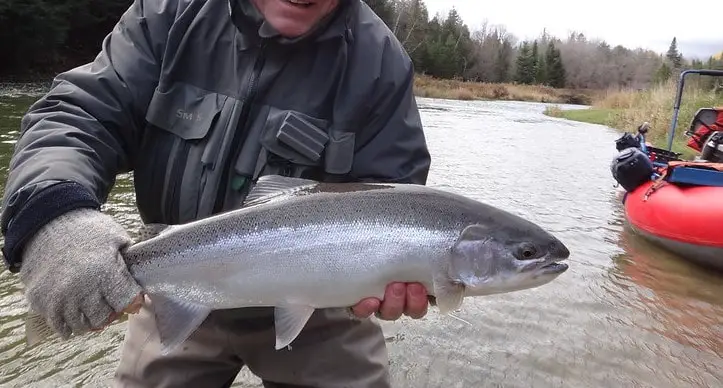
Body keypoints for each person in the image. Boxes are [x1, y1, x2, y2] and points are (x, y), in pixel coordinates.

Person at [0, 0, 432, 386]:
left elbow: (397, 199)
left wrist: (409, 273)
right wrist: (53, 212)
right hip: (176, 279)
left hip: (323, 307)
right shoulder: (168, 14)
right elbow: (79, 115)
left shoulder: (381, 64)